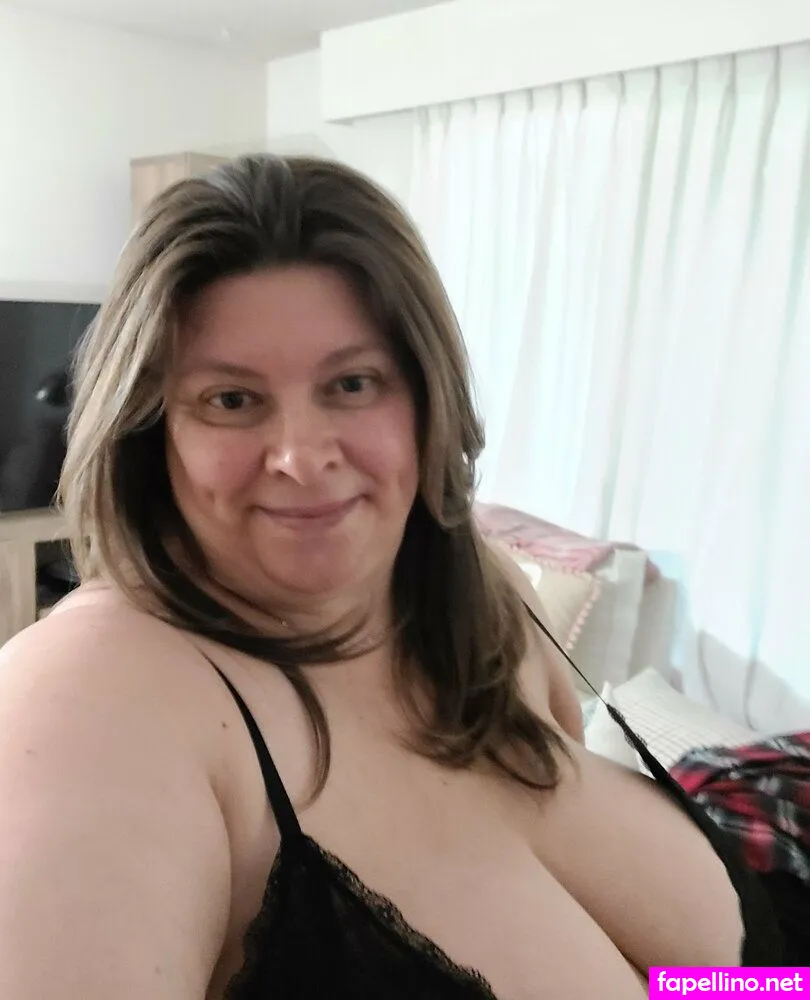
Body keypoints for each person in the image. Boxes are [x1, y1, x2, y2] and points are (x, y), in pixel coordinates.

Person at [0, 154, 785, 1000]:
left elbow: (685, 982)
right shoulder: (89, 696)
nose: (301, 458)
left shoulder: (489, 602)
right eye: (231, 399)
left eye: (352, 383)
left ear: (425, 398)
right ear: (152, 429)